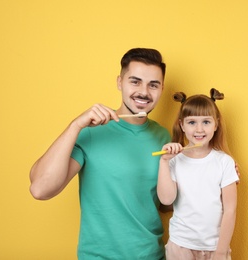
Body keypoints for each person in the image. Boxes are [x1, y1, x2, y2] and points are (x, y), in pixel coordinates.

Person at [29, 48, 170, 259]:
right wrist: (75, 126)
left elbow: (167, 203)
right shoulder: (91, 132)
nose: (144, 92)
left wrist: (216, 169)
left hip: (152, 255)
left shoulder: (163, 136)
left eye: (153, 85)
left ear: (161, 88)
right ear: (119, 82)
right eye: (135, 81)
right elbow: (40, 189)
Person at [157, 88, 239, 260]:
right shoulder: (174, 161)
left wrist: (221, 252)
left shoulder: (225, 163)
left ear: (216, 124)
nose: (199, 129)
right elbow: (166, 199)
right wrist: (164, 162)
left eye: (206, 122)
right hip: (180, 246)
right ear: (182, 125)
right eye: (192, 122)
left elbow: (230, 210)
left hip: (216, 247)